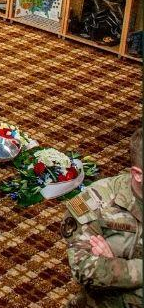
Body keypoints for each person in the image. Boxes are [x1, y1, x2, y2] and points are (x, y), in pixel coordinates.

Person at [62, 126, 143, 308]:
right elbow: (85, 269)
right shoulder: (96, 201)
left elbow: (103, 273)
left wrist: (114, 265)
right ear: (138, 175)